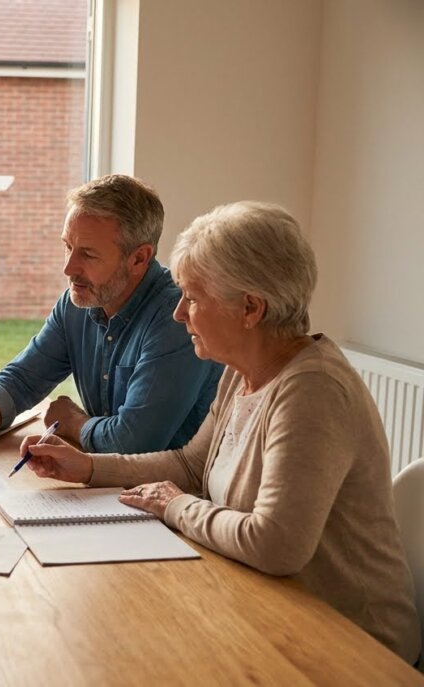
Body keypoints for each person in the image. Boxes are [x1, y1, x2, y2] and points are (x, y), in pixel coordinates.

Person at [22, 201, 421, 663]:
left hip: (352, 644)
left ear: (250, 308)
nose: (178, 314)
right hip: (270, 608)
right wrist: (89, 467)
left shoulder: (313, 391)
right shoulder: (243, 370)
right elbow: (192, 465)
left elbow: (275, 545)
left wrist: (175, 506)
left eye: (192, 297)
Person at [0, 174, 222, 468]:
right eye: (67, 246)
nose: (68, 268)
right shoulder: (80, 301)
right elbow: (21, 380)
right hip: (110, 488)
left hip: (174, 499)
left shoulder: (177, 317)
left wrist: (74, 423)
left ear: (139, 259)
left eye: (87, 254)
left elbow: (134, 444)